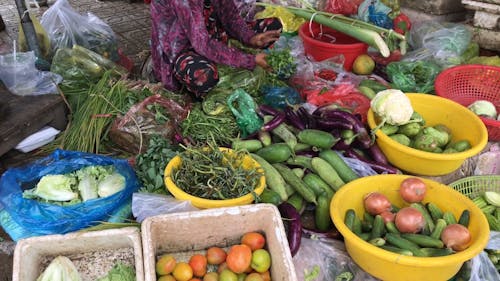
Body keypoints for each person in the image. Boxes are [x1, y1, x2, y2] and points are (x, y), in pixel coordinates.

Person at [150, 0, 282, 97]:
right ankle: (188, 85)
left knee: (273, 26)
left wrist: (251, 38)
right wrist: (250, 60)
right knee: (205, 77)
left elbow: (231, 18)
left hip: (212, 32)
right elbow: (202, 43)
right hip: (182, 48)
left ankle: (221, 56)